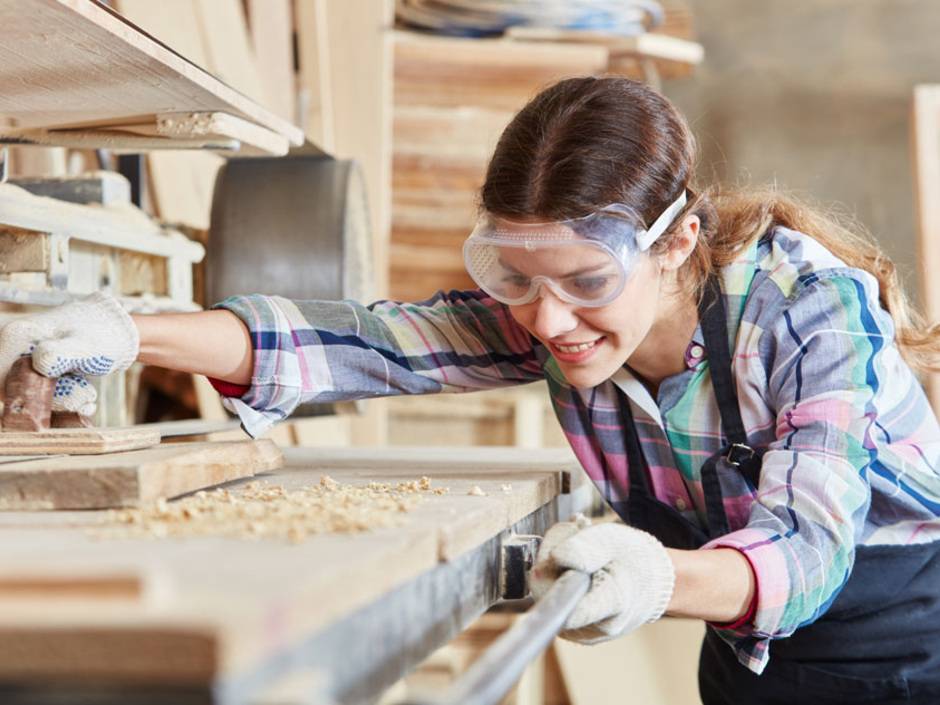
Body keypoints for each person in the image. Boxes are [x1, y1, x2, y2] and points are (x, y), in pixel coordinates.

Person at [2, 76, 939, 704]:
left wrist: (659, 576)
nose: (547, 320)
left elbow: (811, 551)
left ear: (677, 241)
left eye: (585, 282)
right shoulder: (549, 308)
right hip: (746, 654)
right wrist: (128, 329)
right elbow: (359, 342)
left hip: (900, 639)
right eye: (518, 279)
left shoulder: (810, 308)